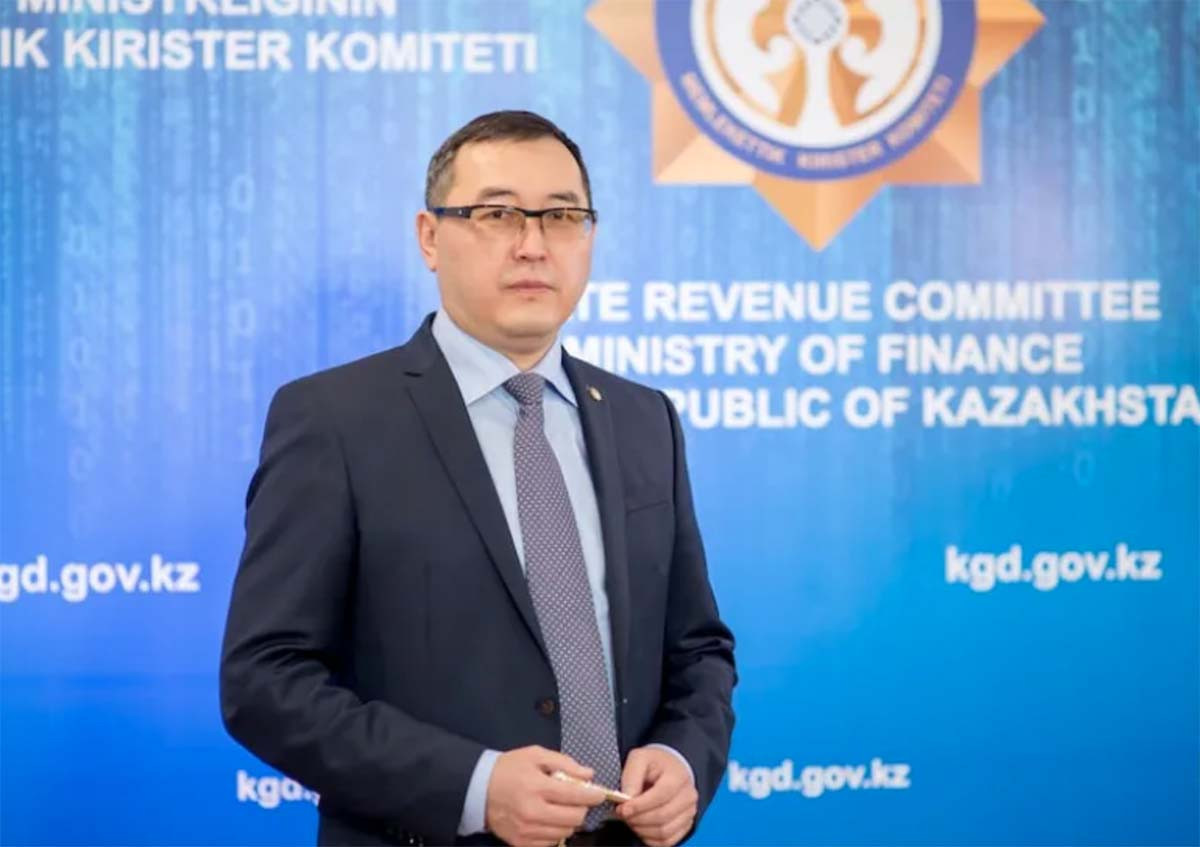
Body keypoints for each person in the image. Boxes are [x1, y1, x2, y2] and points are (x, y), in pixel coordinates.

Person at [219, 110, 736, 847]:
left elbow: (699, 650)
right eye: (497, 214)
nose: (533, 244)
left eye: (562, 216)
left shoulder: (643, 417)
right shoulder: (334, 419)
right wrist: (472, 786)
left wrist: (685, 757)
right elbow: (264, 679)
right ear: (430, 237)